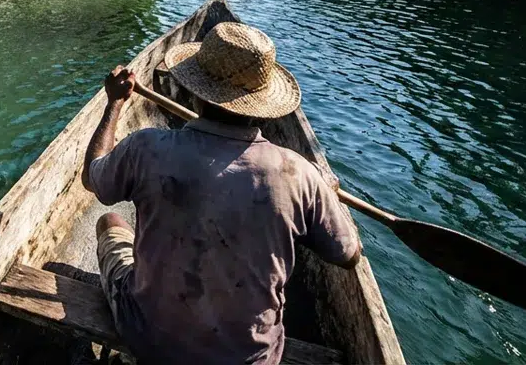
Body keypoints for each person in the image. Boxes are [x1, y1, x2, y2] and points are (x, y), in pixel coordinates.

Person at [81, 21, 362, 365]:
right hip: (250, 358)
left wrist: (114, 104)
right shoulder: (299, 173)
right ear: (262, 103)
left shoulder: (146, 147)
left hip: (149, 339)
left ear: (195, 90)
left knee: (109, 221)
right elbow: (348, 254)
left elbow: (92, 177)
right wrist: (327, 193)